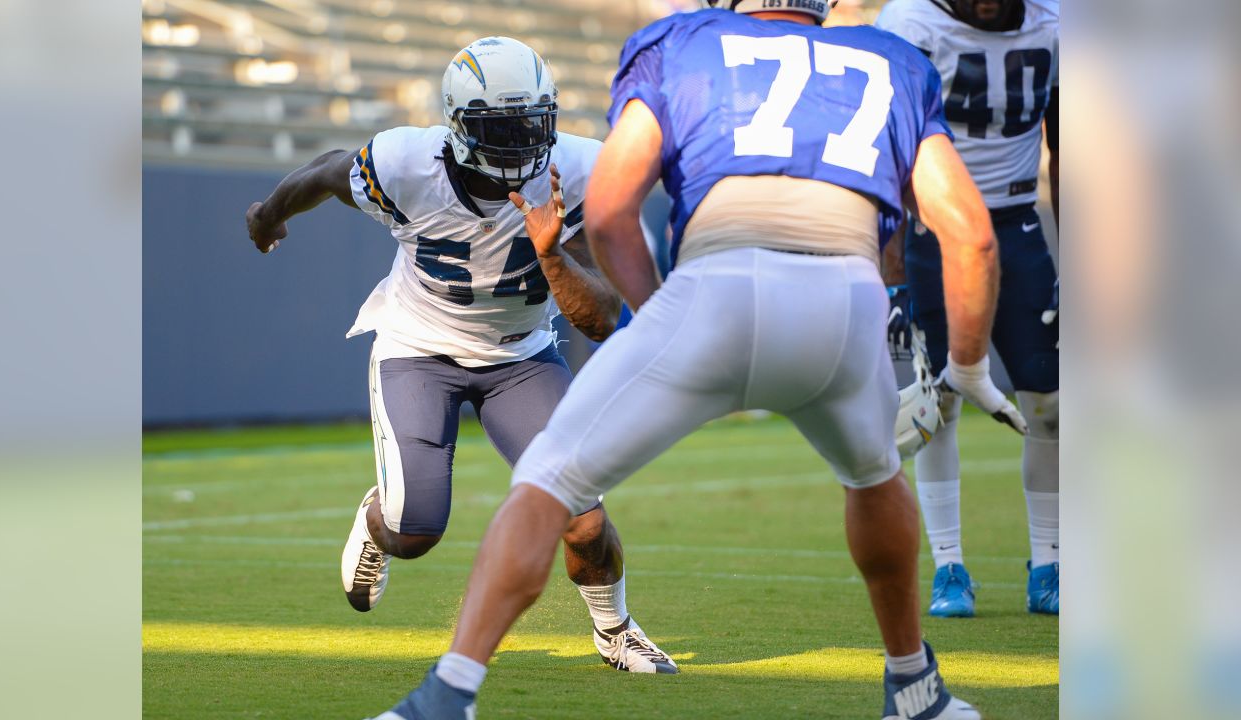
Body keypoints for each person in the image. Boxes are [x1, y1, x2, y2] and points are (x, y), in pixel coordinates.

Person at [375, 2, 1028, 718]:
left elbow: (618, 210)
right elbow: (970, 236)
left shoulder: (681, 42)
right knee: (876, 478)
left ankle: (449, 695)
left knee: (547, 484)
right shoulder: (892, 60)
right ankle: (914, 686)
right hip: (845, 299)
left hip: (715, 284)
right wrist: (964, 368)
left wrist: (663, 326)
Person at [244, 36, 678, 675]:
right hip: (419, 348)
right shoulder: (405, 163)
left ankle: (614, 629)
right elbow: (327, 171)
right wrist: (269, 214)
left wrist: (553, 252)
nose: (519, 140)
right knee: (415, 531)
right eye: (499, 126)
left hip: (522, 357)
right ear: (458, 124)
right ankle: (377, 520)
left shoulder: (579, 170)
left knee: (582, 517)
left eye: (531, 122)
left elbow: (602, 316)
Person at [876, 0, 1060, 618]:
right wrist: (895, 279)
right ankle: (949, 565)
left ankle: (1051, 561)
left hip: (1016, 221)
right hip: (934, 225)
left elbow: (1070, 151)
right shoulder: (911, 27)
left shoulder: (1055, 24)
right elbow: (887, 157)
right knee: (938, 401)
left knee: (1051, 401)